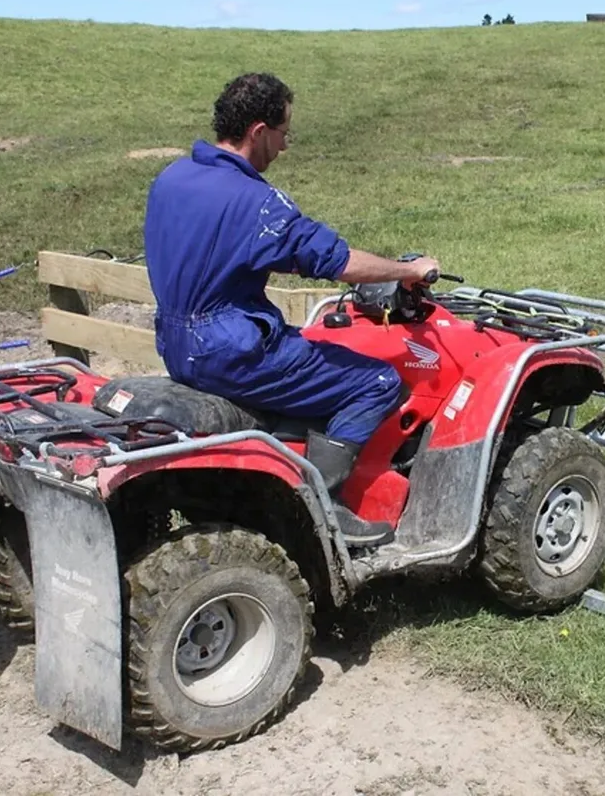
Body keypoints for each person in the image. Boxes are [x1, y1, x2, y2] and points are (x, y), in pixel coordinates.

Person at [143, 72, 438, 544]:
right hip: (232, 350)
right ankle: (320, 509)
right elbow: (336, 260)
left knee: (304, 347)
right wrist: (406, 271)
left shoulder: (172, 178)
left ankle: (283, 460)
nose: (284, 147)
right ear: (259, 131)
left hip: (176, 344)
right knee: (376, 382)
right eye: (284, 134)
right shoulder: (258, 202)